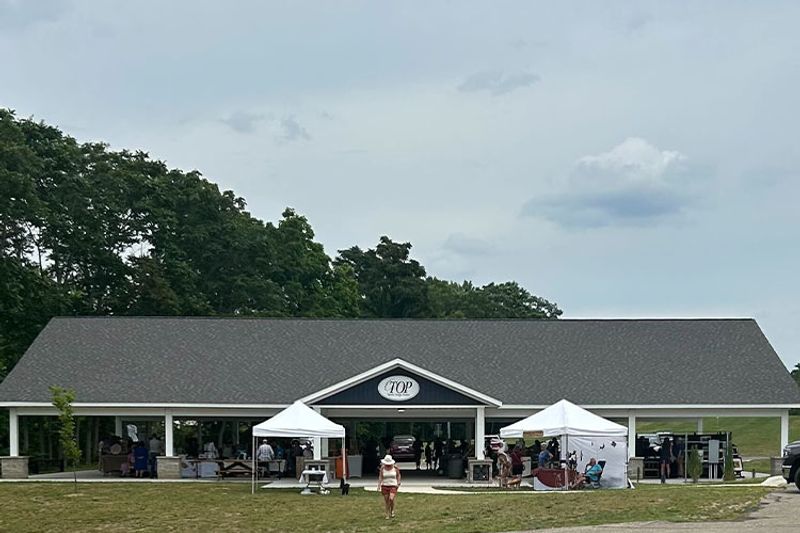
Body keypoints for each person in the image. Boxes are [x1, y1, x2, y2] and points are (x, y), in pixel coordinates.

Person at [377, 454, 401, 519]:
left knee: (391, 498)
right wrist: (379, 485)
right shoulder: (382, 468)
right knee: (386, 500)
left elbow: (398, 475)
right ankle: (387, 513)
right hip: (384, 485)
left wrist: (398, 482)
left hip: (393, 485)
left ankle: (392, 510)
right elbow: (380, 477)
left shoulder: (395, 468)